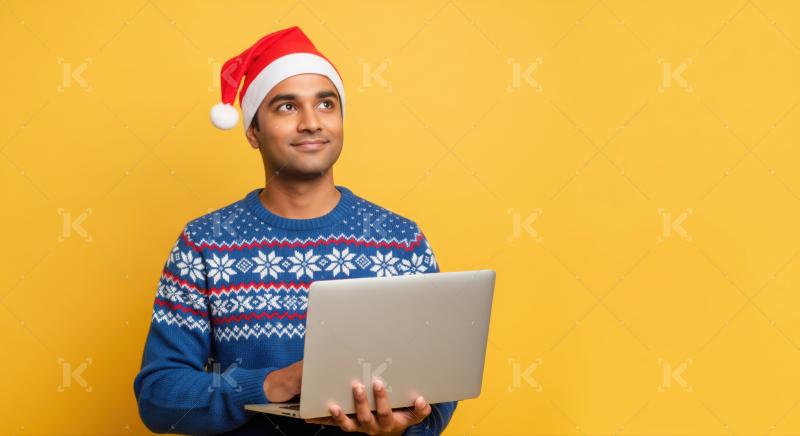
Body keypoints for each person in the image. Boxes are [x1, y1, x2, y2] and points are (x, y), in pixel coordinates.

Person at [133, 26, 458, 435]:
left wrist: (404, 428)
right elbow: (159, 396)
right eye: (287, 107)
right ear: (253, 131)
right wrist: (273, 384)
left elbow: (442, 391)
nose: (310, 123)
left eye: (326, 104)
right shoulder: (204, 243)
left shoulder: (401, 242)